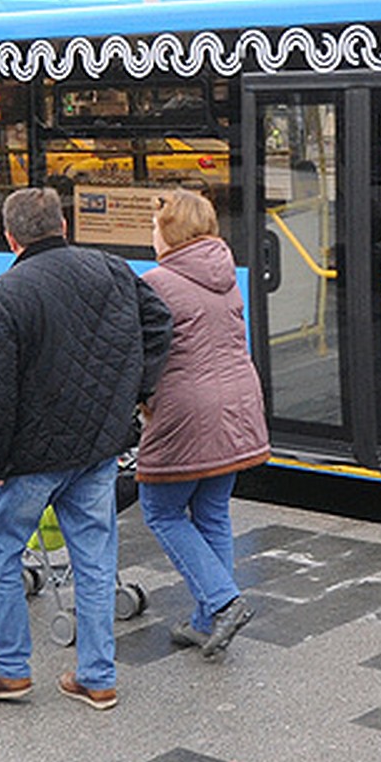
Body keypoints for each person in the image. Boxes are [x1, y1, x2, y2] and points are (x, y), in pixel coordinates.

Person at [0, 187, 173, 709]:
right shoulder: (113, 269)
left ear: (10, 238)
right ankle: (97, 677)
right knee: (96, 562)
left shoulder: (3, 296)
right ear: (63, 227)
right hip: (98, 448)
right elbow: (160, 323)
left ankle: (8, 670)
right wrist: (136, 391)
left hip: (32, 457)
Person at [138, 189, 270, 659]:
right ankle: (202, 621)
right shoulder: (225, 273)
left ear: (171, 232)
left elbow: (143, 354)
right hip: (237, 403)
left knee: (161, 509)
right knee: (212, 511)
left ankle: (224, 600)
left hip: (187, 410)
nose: (151, 236)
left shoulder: (156, 281)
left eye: (155, 228)